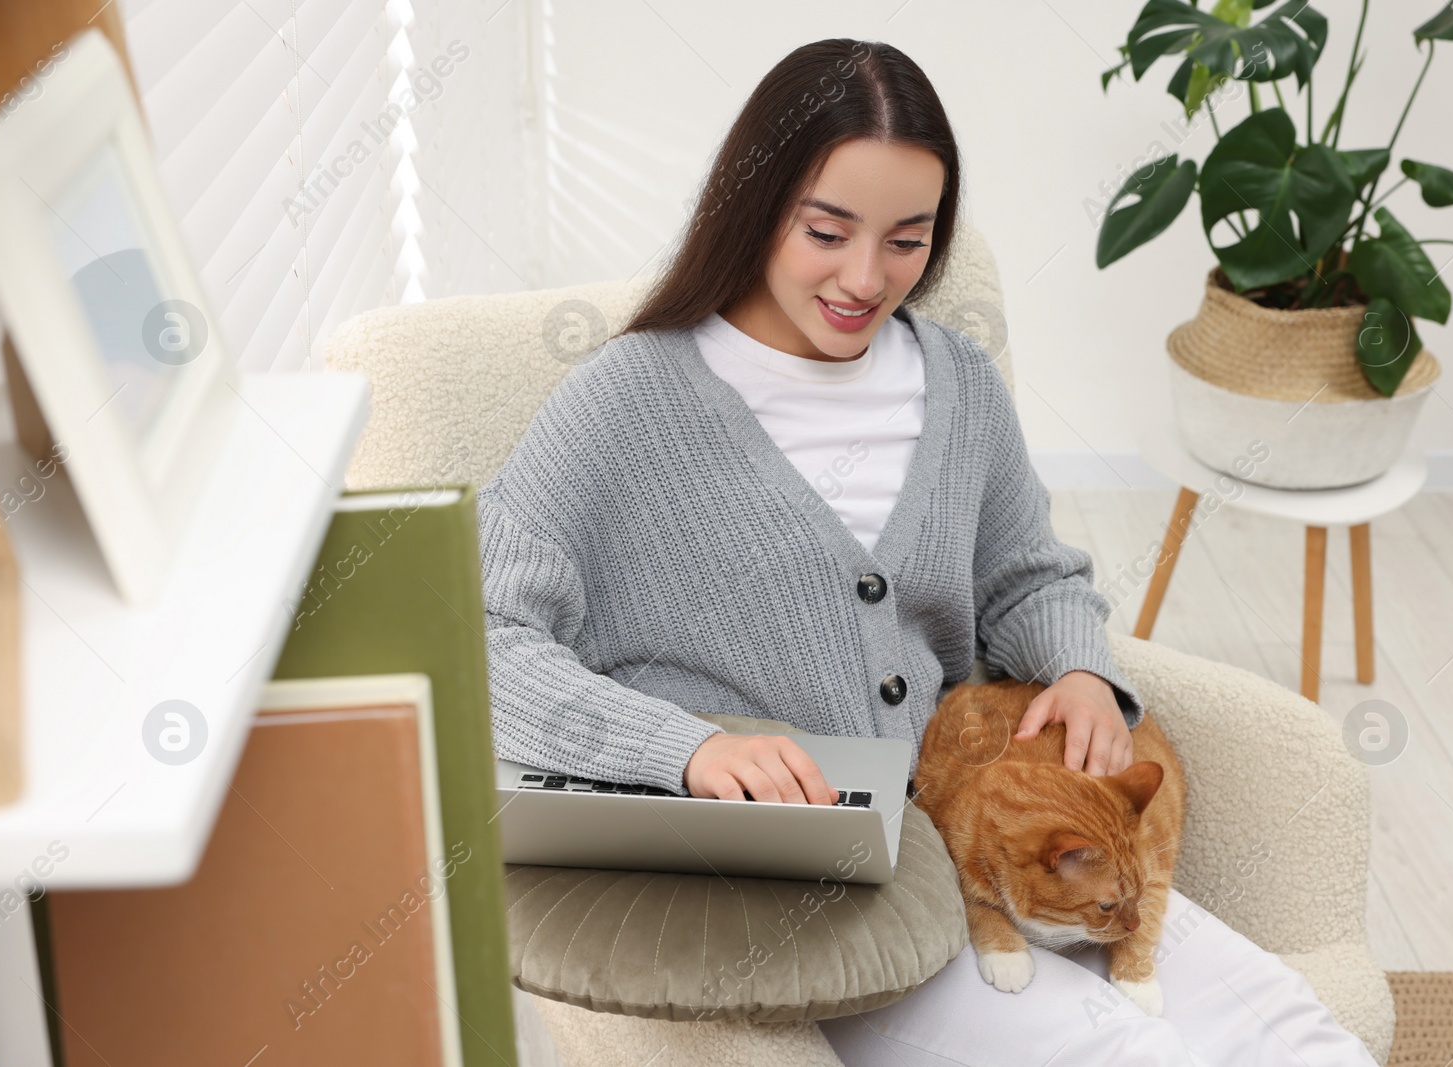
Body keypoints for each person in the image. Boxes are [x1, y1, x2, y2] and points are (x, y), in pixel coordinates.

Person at [478, 36, 1378, 1067]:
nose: (866, 278)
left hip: (999, 833)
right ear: (755, 204)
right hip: (822, 899)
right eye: (827, 230)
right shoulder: (626, 401)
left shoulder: (952, 379)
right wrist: (683, 749)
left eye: (907, 240)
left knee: (1301, 1033)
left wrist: (1083, 670)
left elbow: (1024, 572)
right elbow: (480, 636)